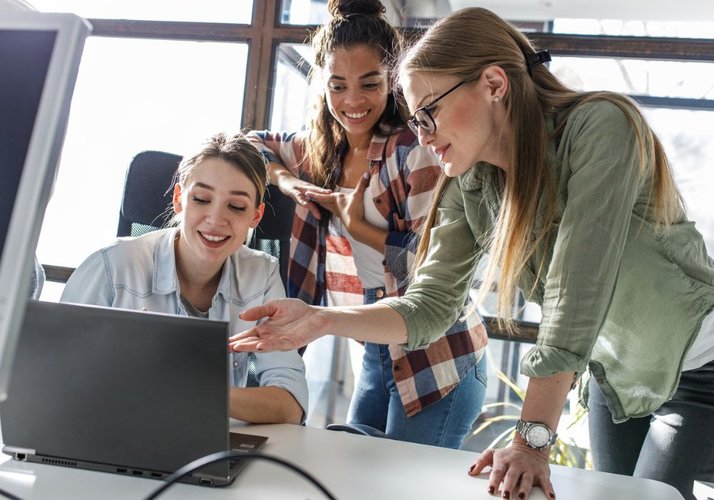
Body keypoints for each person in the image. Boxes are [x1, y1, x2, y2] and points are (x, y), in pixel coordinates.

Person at [231, 6, 714, 500]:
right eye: (415, 119)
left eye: (430, 113)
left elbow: (579, 284)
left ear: (494, 84)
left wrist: (531, 440)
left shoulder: (600, 127)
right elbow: (431, 304)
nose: (422, 135)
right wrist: (321, 318)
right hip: (621, 381)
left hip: (703, 370)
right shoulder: (472, 181)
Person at [246, 0, 487, 449]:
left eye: (369, 84)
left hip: (437, 353)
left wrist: (360, 229)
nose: (352, 102)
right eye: (338, 86)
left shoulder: (412, 151)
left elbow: (436, 268)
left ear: (393, 81)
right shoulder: (320, 151)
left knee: (399, 485)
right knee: (356, 470)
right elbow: (252, 143)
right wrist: (285, 181)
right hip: (376, 346)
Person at [62, 132, 308, 425]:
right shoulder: (111, 267)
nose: (216, 220)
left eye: (237, 206)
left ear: (256, 216)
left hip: (209, 449)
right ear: (179, 200)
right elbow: (56, 381)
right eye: (202, 199)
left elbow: (290, 402)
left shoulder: (262, 274)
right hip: (111, 435)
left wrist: (188, 390)